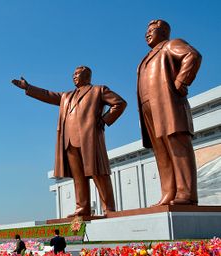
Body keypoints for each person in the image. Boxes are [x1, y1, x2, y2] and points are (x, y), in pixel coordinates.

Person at [12, 66, 127, 216]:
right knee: (78, 177)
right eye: (73, 74)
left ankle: (109, 208)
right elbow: (48, 95)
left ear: (87, 76)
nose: (74, 76)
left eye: (78, 74)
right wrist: (28, 87)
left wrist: (104, 119)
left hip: (89, 139)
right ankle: (82, 207)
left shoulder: (98, 90)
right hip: (70, 141)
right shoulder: (66, 96)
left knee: (99, 173)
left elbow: (119, 103)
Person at [137, 19, 202, 206]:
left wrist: (181, 81)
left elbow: (193, 55)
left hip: (168, 104)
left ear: (164, 32)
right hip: (149, 108)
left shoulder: (171, 45)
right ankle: (168, 192)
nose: (147, 34)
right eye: (146, 31)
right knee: (161, 152)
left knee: (177, 146)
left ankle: (186, 193)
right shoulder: (147, 57)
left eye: (152, 30)